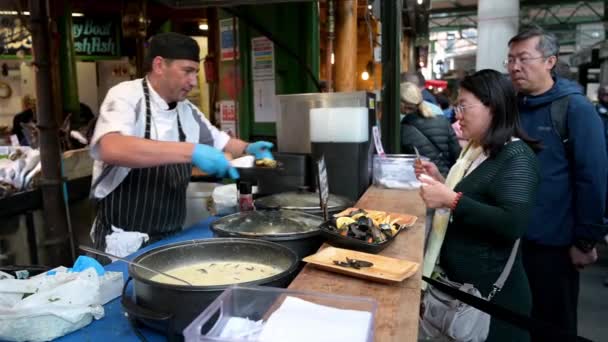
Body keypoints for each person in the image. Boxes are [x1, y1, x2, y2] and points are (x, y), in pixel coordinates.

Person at [89, 32, 274, 251]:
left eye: (195, 72)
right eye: (187, 71)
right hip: (122, 242)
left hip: (170, 237)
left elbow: (223, 143)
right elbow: (111, 147)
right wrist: (191, 151)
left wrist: (248, 148)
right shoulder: (126, 95)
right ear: (159, 65)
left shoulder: (188, 112)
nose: (193, 82)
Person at [416, 69, 541, 342]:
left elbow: (512, 223)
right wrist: (440, 180)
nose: (456, 114)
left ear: (493, 107)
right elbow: (473, 194)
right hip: (459, 290)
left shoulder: (517, 157)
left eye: (463, 106)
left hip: (492, 302)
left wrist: (450, 200)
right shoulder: (476, 150)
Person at [507, 25, 608, 340]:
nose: (514, 67)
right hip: (513, 240)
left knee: (553, 326)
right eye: (510, 59)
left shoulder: (575, 109)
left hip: (555, 247)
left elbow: (592, 177)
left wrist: (585, 240)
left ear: (550, 61)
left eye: (524, 58)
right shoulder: (513, 108)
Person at [399, 82, 460, 177]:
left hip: (423, 180)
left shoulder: (403, 127)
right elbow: (456, 154)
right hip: (447, 179)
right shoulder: (442, 120)